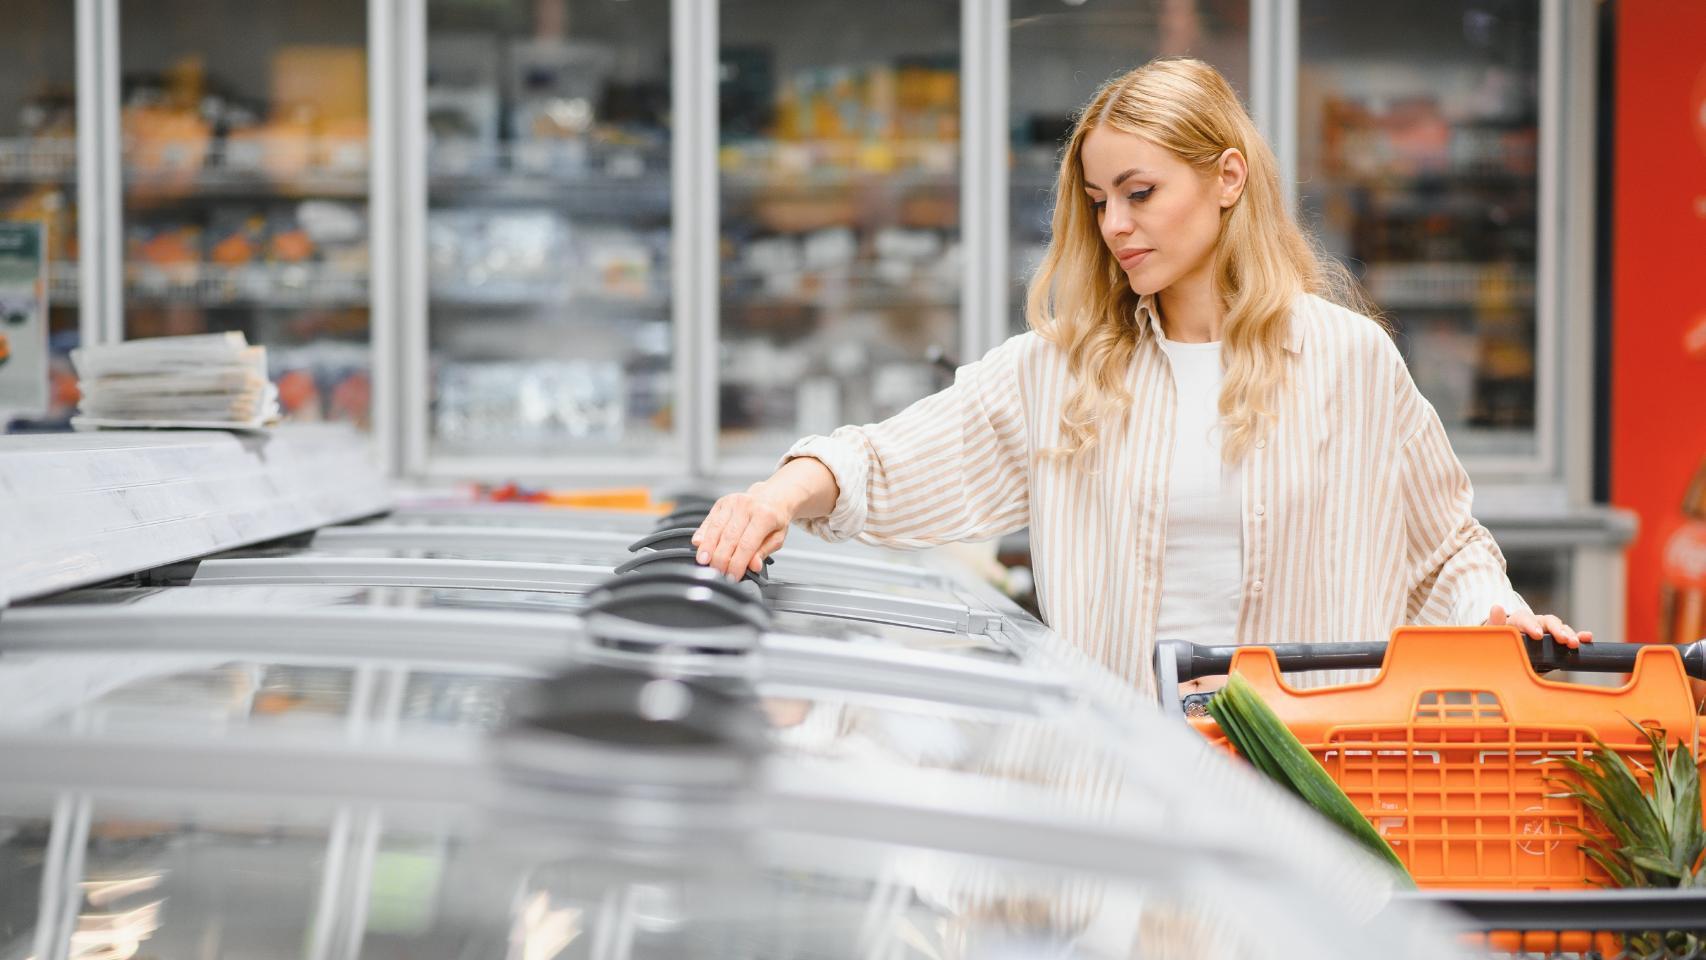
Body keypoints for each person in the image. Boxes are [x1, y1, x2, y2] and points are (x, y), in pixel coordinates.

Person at [691, 57, 1589, 696]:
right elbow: (891, 458)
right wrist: (777, 496)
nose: (1115, 223)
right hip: (1133, 798)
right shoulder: (1069, 372)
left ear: (1228, 177)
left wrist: (1500, 619)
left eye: (1140, 192)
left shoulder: (1349, 361)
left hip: (1315, 793)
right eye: (1098, 201)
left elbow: (1442, 552)